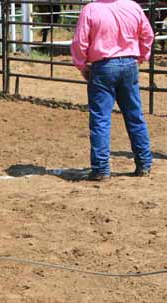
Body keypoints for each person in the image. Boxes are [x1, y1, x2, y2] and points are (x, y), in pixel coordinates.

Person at [71, 0, 155, 181]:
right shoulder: (133, 6)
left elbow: (80, 41)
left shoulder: (91, 9)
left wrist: (81, 65)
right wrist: (141, 56)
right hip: (129, 63)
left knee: (101, 119)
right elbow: (147, 35)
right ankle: (144, 163)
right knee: (134, 115)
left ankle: (101, 169)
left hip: (103, 65)